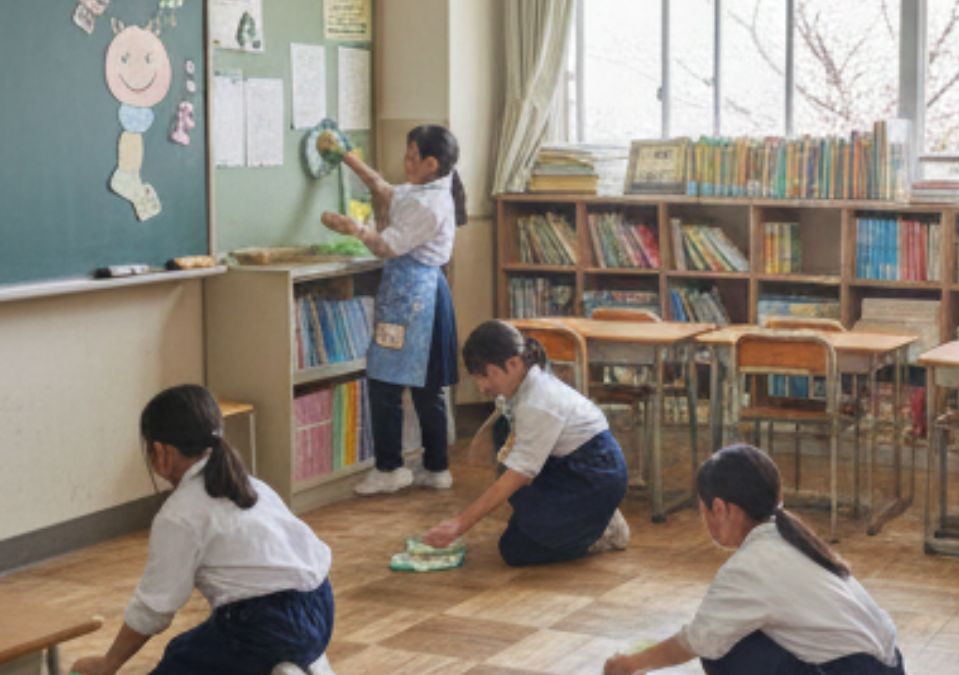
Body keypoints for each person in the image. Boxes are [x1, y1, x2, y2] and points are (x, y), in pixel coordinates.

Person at [70, 384, 333, 675]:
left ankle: (277, 662)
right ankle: (287, 665)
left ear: (161, 452)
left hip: (266, 627)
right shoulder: (251, 485)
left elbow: (155, 607)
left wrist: (109, 663)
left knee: (181, 664)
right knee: (186, 649)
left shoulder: (179, 514)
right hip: (320, 608)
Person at [603, 444, 904, 675]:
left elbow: (699, 639)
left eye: (703, 510)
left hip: (856, 670)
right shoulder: (787, 537)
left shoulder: (751, 566)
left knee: (723, 653)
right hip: (887, 665)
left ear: (720, 509)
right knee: (735, 634)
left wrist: (631, 664)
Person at [320, 125, 466, 495]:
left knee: (386, 381)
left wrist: (353, 228)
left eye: (411, 156)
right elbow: (386, 190)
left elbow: (386, 247)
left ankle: (390, 468)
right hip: (424, 294)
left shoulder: (426, 202)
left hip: (412, 300)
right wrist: (347, 157)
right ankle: (436, 467)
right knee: (425, 388)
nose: (405, 161)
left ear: (431, 163)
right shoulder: (429, 188)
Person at [423, 319, 630, 566]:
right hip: (568, 466)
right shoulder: (520, 386)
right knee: (525, 524)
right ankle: (585, 520)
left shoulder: (538, 401)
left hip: (593, 475)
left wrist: (460, 523)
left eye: (487, 376)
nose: (482, 388)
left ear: (513, 363)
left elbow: (518, 474)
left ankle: (602, 530)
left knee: (516, 550)